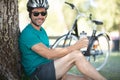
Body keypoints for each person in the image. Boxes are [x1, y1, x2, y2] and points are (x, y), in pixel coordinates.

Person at [19, 0, 107, 80]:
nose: (40, 16)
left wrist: (64, 61)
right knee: (76, 55)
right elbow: (49, 54)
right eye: (36, 14)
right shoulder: (28, 33)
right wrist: (75, 47)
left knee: (86, 79)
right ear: (30, 14)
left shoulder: (42, 31)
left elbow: (50, 52)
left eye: (43, 13)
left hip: (48, 69)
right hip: (38, 74)